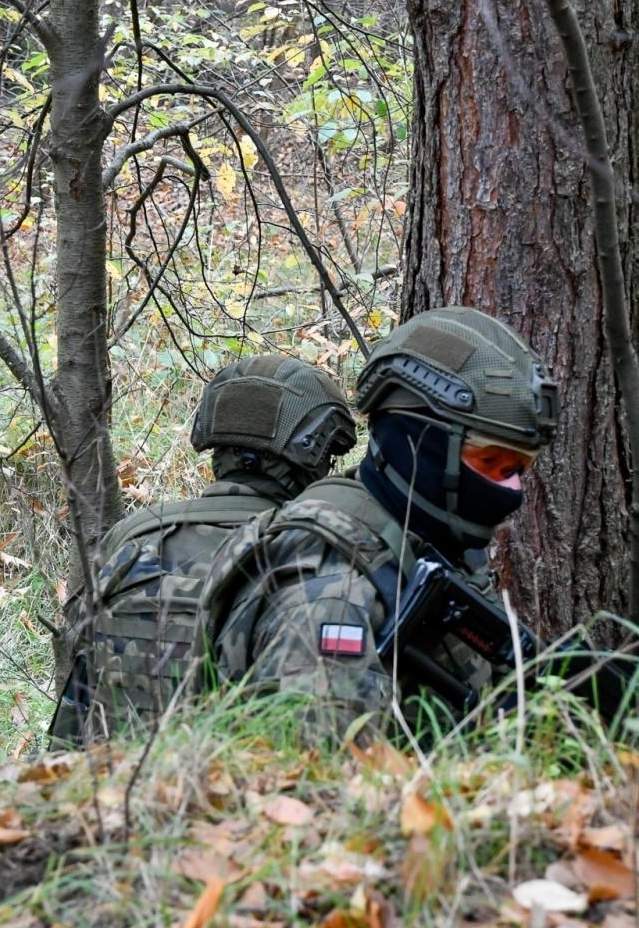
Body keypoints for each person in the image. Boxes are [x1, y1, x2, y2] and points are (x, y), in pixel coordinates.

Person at [199, 306, 569, 740]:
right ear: (420, 447)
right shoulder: (329, 579)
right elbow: (318, 782)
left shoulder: (418, 547)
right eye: (489, 462)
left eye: (518, 468)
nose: (510, 490)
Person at [48, 354, 356, 746]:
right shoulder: (315, 551)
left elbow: (80, 693)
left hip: (106, 787)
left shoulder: (132, 536)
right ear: (311, 455)